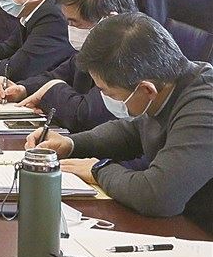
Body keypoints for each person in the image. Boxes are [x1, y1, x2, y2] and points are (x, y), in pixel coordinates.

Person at [27, 13, 212, 231]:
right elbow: (132, 131)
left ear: (146, 90)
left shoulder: (204, 106)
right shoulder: (168, 84)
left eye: (108, 93)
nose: (105, 98)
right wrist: (71, 144)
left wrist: (98, 170)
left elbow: (157, 196)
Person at [0, 0, 138, 132]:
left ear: (108, 20)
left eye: (75, 22)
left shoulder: (131, 54)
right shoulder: (93, 49)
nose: (69, 28)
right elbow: (58, 75)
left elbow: (83, 115)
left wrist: (50, 90)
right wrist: (22, 89)